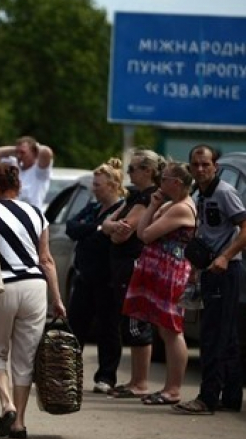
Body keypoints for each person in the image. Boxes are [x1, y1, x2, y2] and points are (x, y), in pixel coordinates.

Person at [0, 162, 66, 439]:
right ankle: (19, 422)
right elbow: (46, 260)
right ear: (17, 186)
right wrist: (57, 297)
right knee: (25, 358)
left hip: (0, 287)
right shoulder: (36, 213)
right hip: (35, 288)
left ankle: (6, 404)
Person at [173, 145, 246, 415]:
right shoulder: (200, 192)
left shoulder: (224, 192)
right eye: (195, 164)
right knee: (227, 336)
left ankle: (207, 398)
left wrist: (225, 256)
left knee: (213, 335)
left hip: (225, 271)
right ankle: (231, 396)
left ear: (215, 166)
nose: (200, 169)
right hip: (209, 270)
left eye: (205, 164)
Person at [123, 162, 196, 406]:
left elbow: (145, 234)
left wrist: (155, 209)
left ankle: (173, 389)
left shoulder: (181, 208)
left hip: (172, 271)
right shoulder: (168, 205)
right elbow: (142, 231)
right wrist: (154, 204)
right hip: (159, 267)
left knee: (172, 328)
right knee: (164, 329)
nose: (160, 182)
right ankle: (166, 387)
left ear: (176, 183)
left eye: (164, 179)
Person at [104, 149, 164, 399]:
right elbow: (108, 223)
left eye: (132, 169)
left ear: (147, 171)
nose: (129, 173)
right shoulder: (136, 197)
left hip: (134, 265)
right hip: (122, 266)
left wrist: (112, 227)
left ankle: (140, 382)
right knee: (130, 323)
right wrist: (110, 226)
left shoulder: (150, 197)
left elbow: (123, 231)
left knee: (137, 324)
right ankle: (135, 380)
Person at [65, 158, 125, 393]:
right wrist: (99, 228)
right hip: (84, 277)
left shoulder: (120, 209)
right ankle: (69, 372)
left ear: (111, 186)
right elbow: (72, 228)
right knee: (75, 326)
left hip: (107, 279)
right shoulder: (92, 208)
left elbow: (103, 239)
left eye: (98, 185)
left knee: (108, 329)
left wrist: (94, 232)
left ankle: (106, 377)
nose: (94, 188)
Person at [0, 136, 54, 208]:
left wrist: (35, 146)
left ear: (34, 152)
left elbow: (47, 152)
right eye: (17, 153)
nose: (19, 156)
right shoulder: (15, 166)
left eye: (23, 153)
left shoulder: (39, 172)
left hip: (31, 213)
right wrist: (16, 149)